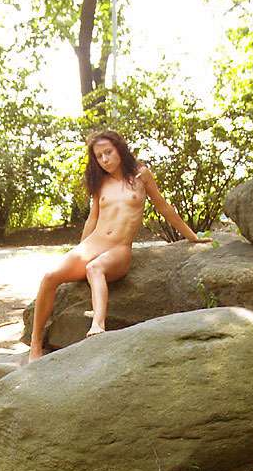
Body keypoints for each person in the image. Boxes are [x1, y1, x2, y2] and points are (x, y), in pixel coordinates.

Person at [27, 130, 209, 361]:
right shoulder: (100, 182)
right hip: (94, 243)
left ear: (120, 150)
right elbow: (93, 218)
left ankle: (98, 325)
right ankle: (35, 344)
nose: (104, 159)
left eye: (108, 152)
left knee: (95, 268)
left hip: (119, 249)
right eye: (99, 156)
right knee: (50, 276)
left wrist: (192, 236)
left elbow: (163, 207)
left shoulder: (141, 175)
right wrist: (78, 251)